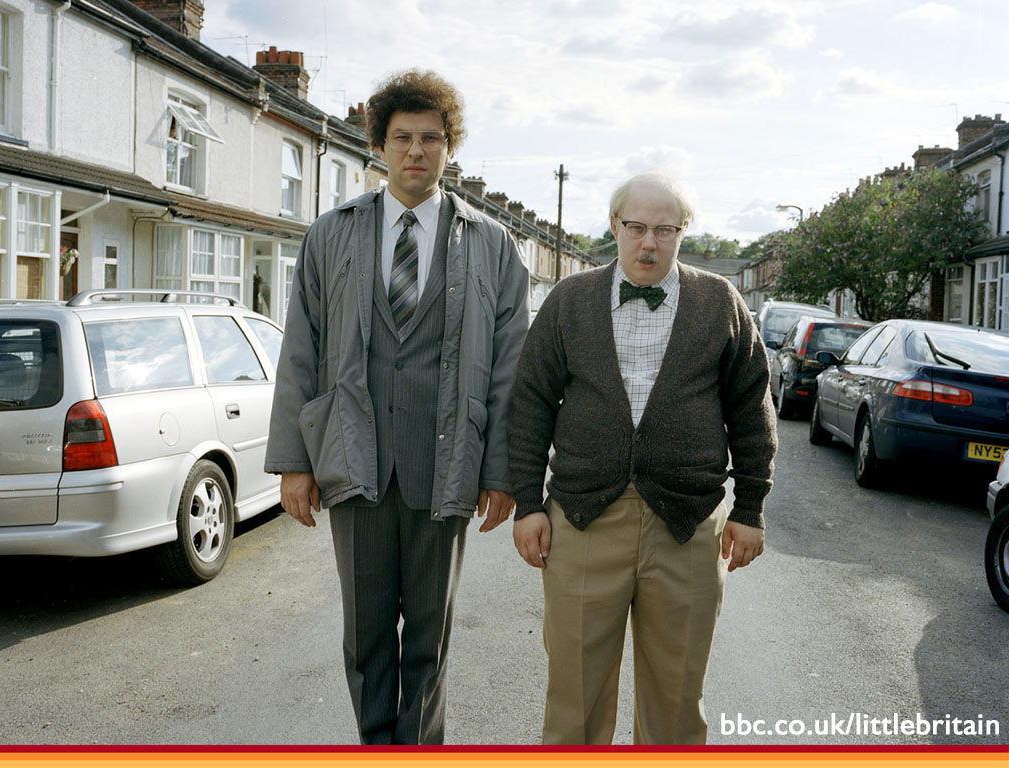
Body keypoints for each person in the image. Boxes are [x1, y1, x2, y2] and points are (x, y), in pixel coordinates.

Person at [265, 69, 529, 745]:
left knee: (429, 641)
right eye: (403, 137)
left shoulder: (493, 244)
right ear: (379, 145)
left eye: (431, 138)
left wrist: (502, 471)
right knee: (367, 638)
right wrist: (294, 462)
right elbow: (301, 350)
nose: (416, 150)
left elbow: (510, 369)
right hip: (355, 463)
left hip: (447, 465)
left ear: (450, 147)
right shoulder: (331, 234)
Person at [508, 172, 777, 745]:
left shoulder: (720, 302)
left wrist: (750, 507)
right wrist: (527, 504)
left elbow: (752, 407)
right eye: (636, 227)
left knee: (676, 707)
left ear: (684, 232)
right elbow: (530, 402)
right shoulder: (570, 300)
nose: (649, 243)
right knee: (574, 705)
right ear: (614, 227)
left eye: (665, 230)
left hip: (687, 526)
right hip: (583, 520)